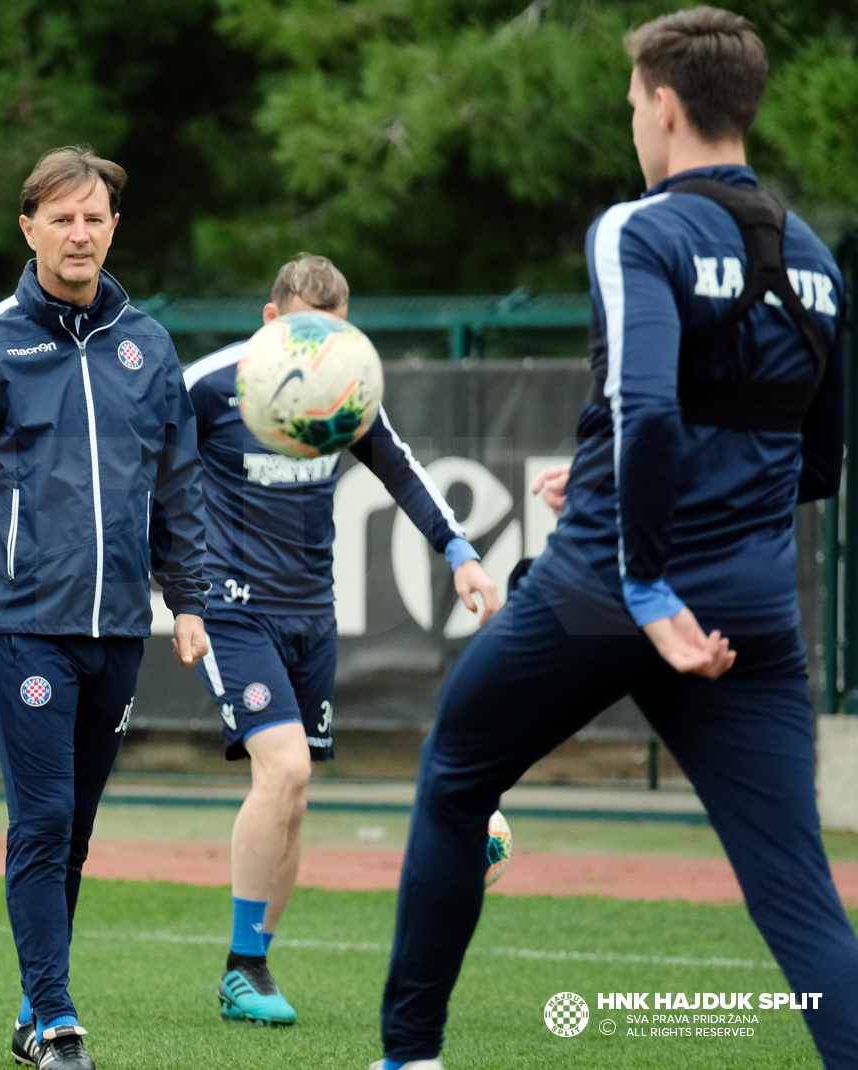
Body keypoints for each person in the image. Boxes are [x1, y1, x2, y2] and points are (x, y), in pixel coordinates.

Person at [372, 8, 853, 1068]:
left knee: (456, 771)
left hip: (605, 595)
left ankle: (408, 1055)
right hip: (751, 613)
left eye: (633, 103)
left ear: (665, 106)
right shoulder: (817, 258)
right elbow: (813, 464)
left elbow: (649, 408)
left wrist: (644, 585)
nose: (633, 121)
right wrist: (614, 481)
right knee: (797, 889)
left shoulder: (637, 229)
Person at [0, 146, 210, 1070]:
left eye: (96, 217)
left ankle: (37, 1009)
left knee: (72, 829)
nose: (80, 233)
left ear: (114, 228)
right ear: (28, 227)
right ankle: (58, 1018)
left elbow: (179, 490)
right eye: (62, 217)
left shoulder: (148, 345)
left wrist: (187, 602)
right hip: (19, 626)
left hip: (119, 629)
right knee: (40, 819)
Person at [182, 254, 501, 1026]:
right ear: (268, 321)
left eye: (331, 334)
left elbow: (402, 470)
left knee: (292, 799)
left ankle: (250, 967)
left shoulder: (346, 381)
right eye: (299, 331)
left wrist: (460, 553)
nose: (315, 351)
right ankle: (243, 967)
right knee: (284, 769)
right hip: (232, 608)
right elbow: (145, 478)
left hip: (310, 614)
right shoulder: (209, 383)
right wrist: (180, 594)